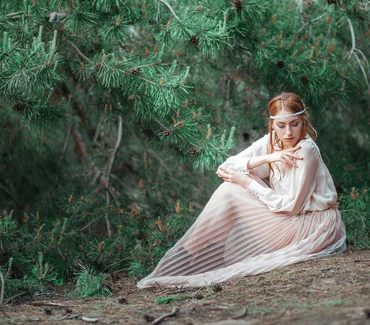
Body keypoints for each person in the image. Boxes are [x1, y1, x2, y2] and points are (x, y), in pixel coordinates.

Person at [137, 92, 346, 288]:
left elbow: (292, 207)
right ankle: (194, 252)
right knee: (231, 185)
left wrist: (247, 182)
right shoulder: (273, 143)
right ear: (273, 125)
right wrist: (267, 158)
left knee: (233, 189)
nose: (288, 132)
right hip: (289, 218)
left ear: (304, 123)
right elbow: (225, 168)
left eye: (295, 124)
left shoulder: (306, 149)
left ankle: (191, 253)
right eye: (281, 125)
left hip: (313, 225)